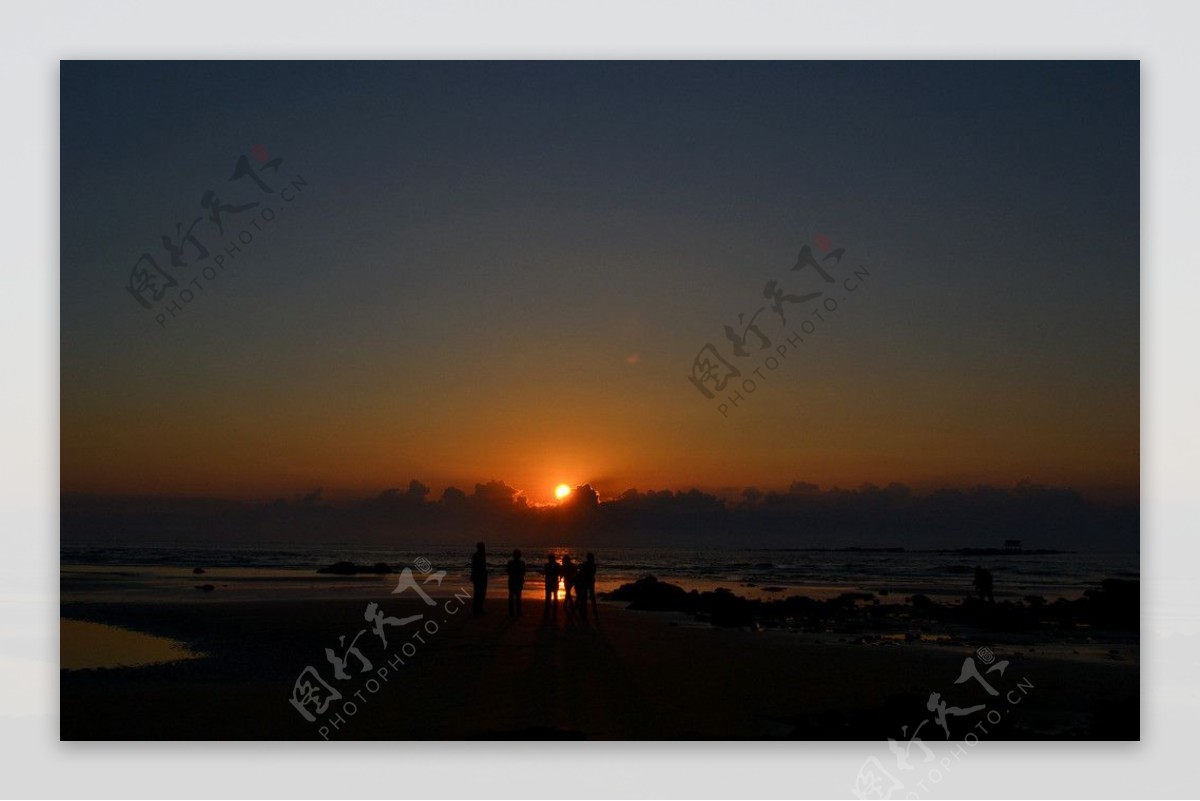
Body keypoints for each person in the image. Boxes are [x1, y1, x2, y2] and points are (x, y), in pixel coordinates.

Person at [575, 552, 598, 619]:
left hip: (585, 582)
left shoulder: (585, 564)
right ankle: (594, 611)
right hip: (591, 582)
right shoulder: (594, 565)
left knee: (584, 597)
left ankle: (584, 612)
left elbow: (581, 571)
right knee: (592, 597)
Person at [505, 548, 527, 617]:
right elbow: (523, 572)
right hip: (517, 581)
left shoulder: (510, 563)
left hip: (513, 580)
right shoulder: (521, 563)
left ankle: (512, 612)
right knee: (517, 596)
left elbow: (508, 571)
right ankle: (518, 612)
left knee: (512, 596)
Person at [470, 542, 488, 616]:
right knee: (479, 593)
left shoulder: (479, 555)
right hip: (480, 576)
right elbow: (476, 567)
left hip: (480, 576)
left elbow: (474, 567)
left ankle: (478, 608)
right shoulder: (478, 556)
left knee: (480, 593)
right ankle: (477, 608)